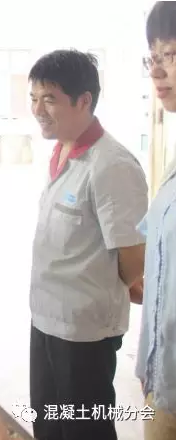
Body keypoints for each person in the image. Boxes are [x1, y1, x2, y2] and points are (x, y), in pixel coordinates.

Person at [27, 49, 148, 440]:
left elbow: (133, 259)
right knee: (48, 422)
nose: (38, 109)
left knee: (84, 430)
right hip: (45, 317)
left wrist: (106, 285)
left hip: (84, 331)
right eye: (33, 98)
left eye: (49, 99)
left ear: (84, 100)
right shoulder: (60, 151)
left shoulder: (112, 165)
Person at [136, 3, 176, 439]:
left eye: (172, 54)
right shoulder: (172, 163)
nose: (158, 71)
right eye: (153, 56)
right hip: (163, 380)